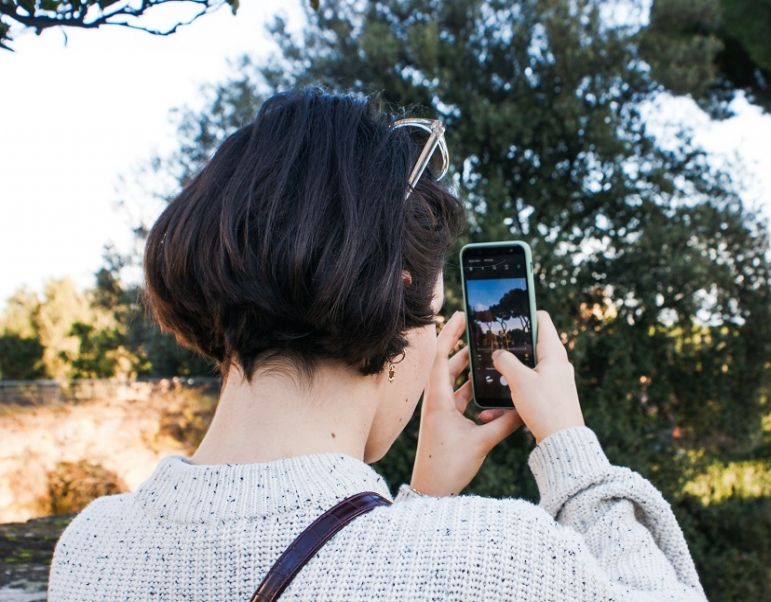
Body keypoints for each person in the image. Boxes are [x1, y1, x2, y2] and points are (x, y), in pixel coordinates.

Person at [47, 85, 708, 601]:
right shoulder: (498, 560)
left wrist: (422, 505)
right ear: (395, 297)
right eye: (436, 313)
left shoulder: (89, 551)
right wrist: (569, 446)